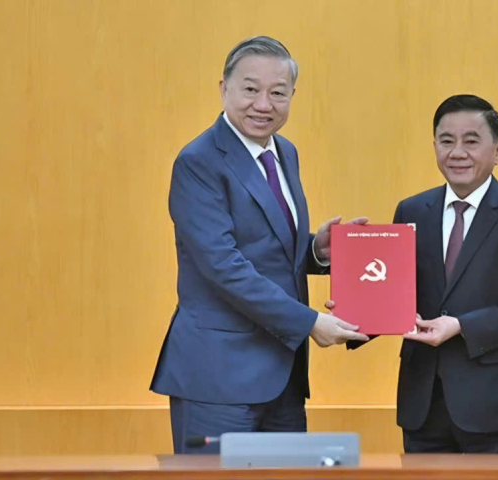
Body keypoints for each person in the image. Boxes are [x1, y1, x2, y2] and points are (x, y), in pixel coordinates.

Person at [150, 36, 368, 454]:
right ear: (224, 89)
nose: (263, 104)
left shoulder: (285, 152)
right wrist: (310, 322)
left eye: (278, 93)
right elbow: (224, 266)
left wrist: (316, 251)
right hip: (218, 378)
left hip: (283, 377)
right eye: (251, 89)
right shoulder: (198, 162)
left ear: (292, 96)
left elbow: (267, 248)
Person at [346, 94, 498, 453]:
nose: (457, 152)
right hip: (422, 400)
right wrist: (353, 316)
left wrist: (462, 325)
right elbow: (395, 290)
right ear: (435, 147)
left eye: (471, 141)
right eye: (447, 141)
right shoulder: (413, 210)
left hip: (495, 401)